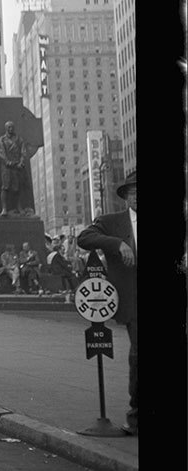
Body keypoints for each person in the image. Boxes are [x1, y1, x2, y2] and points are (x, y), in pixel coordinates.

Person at [77, 169, 137, 436]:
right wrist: (115, 244)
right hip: (134, 300)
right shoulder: (112, 221)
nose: (138, 197)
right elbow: (84, 238)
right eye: (133, 192)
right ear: (126, 197)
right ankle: (137, 415)